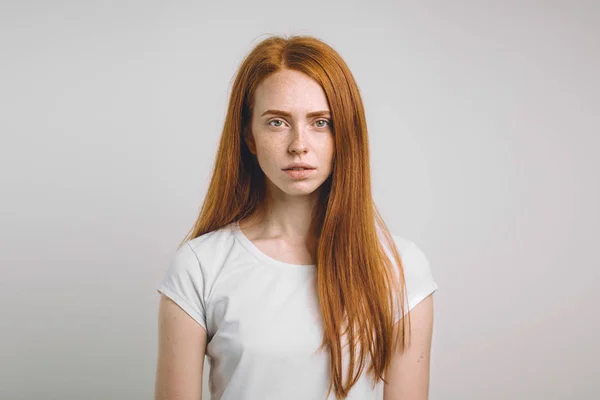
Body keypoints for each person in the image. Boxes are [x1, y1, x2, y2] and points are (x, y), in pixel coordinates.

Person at [154, 34, 438, 400]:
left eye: (321, 122)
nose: (298, 144)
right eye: (277, 122)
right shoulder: (199, 267)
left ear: (345, 135)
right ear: (249, 137)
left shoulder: (401, 269)